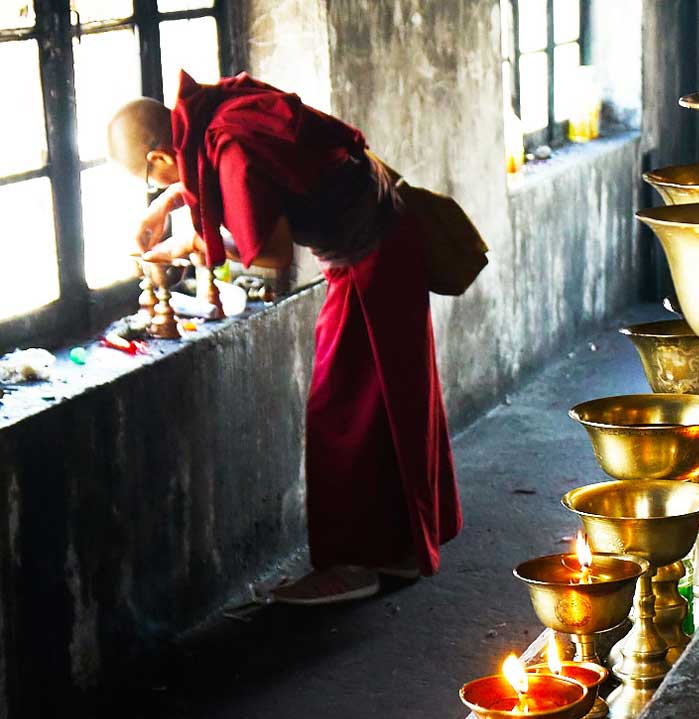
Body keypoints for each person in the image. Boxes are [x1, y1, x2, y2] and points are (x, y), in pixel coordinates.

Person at [106, 73, 463, 604]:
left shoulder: (227, 148)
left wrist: (188, 246)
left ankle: (354, 563)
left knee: (340, 412)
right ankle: (399, 552)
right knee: (386, 402)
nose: (158, 188)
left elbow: (272, 255)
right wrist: (168, 206)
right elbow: (251, 177)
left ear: (160, 158)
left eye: (152, 182)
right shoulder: (215, 109)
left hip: (373, 257)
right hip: (381, 236)